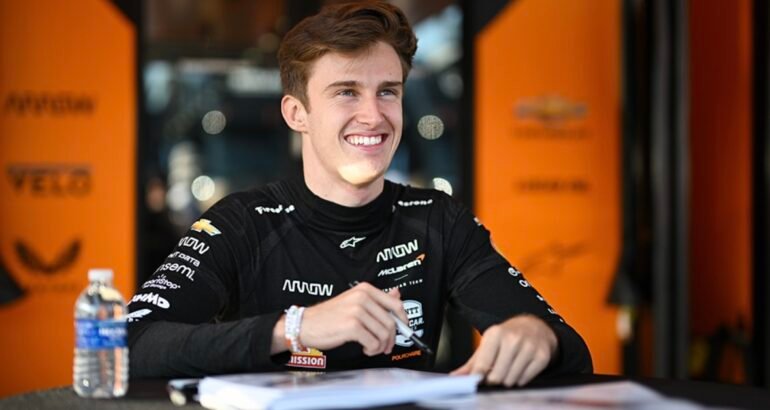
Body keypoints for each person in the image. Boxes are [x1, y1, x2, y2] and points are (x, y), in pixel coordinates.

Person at [127, 1, 592, 387]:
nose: (374, 115)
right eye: (347, 92)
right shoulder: (240, 222)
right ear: (297, 114)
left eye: (387, 92)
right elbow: (129, 343)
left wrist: (536, 335)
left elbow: (572, 351)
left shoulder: (438, 219)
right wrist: (295, 328)